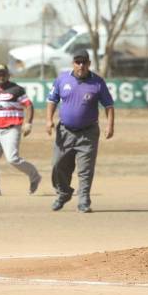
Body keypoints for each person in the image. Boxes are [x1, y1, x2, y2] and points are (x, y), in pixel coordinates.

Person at [45, 49, 115, 213]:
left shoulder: (97, 82)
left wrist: (110, 125)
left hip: (88, 133)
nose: (81, 65)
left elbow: (109, 105)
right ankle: (64, 193)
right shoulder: (62, 79)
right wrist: (49, 120)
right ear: (73, 63)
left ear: (89, 64)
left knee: (85, 169)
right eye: (78, 62)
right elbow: (52, 100)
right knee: (58, 165)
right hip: (65, 132)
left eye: (84, 62)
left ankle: (83, 200)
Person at [0, 64, 41, 196]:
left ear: (8, 75)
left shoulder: (17, 89)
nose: (1, 76)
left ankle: (34, 176)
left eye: (4, 74)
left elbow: (29, 106)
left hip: (12, 129)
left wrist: (28, 123)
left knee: (12, 159)